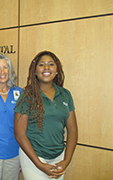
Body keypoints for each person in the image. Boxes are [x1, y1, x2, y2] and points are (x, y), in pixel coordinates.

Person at [14, 51, 78, 180]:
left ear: (57, 70)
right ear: (35, 71)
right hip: (33, 157)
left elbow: (72, 129)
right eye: (42, 64)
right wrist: (39, 164)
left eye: (51, 64)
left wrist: (66, 160)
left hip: (59, 157)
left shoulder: (65, 94)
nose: (46, 68)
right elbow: (19, 134)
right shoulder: (27, 95)